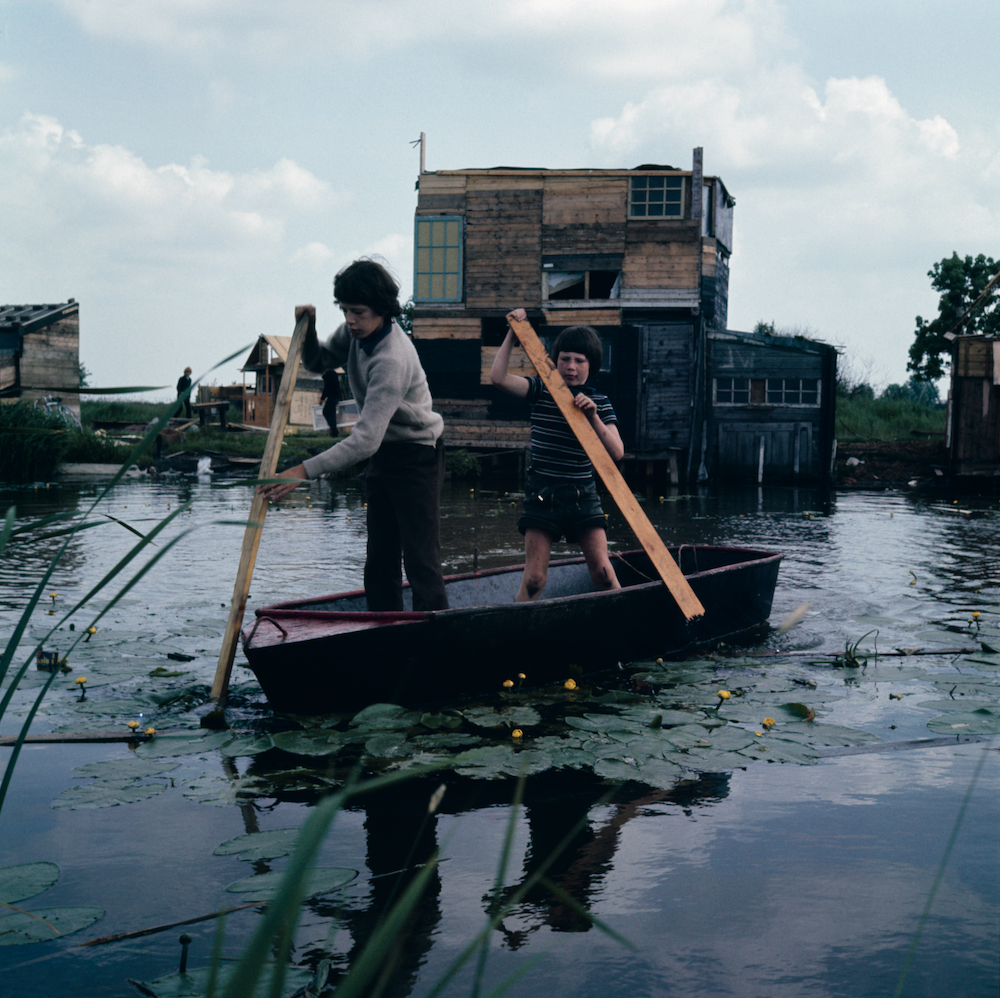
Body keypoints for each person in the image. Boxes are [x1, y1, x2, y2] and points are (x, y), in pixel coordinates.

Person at [258, 259, 448, 612]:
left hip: (417, 454)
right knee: (379, 558)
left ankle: (435, 640)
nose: (349, 319)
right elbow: (317, 362)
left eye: (357, 312)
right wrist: (310, 328)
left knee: (421, 559)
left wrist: (302, 471)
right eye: (344, 310)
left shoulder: (391, 359)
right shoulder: (353, 334)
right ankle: (382, 632)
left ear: (381, 309)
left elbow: (364, 440)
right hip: (385, 454)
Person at [491, 309, 624, 602]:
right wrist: (514, 333)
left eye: (579, 361)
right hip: (543, 493)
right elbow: (498, 378)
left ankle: (626, 623)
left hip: (582, 494)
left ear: (592, 365)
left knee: (603, 572)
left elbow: (616, 452)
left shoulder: (599, 402)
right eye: (564, 359)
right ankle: (516, 634)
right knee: (535, 580)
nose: (571, 366)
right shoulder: (541, 390)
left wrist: (593, 417)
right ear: (556, 360)